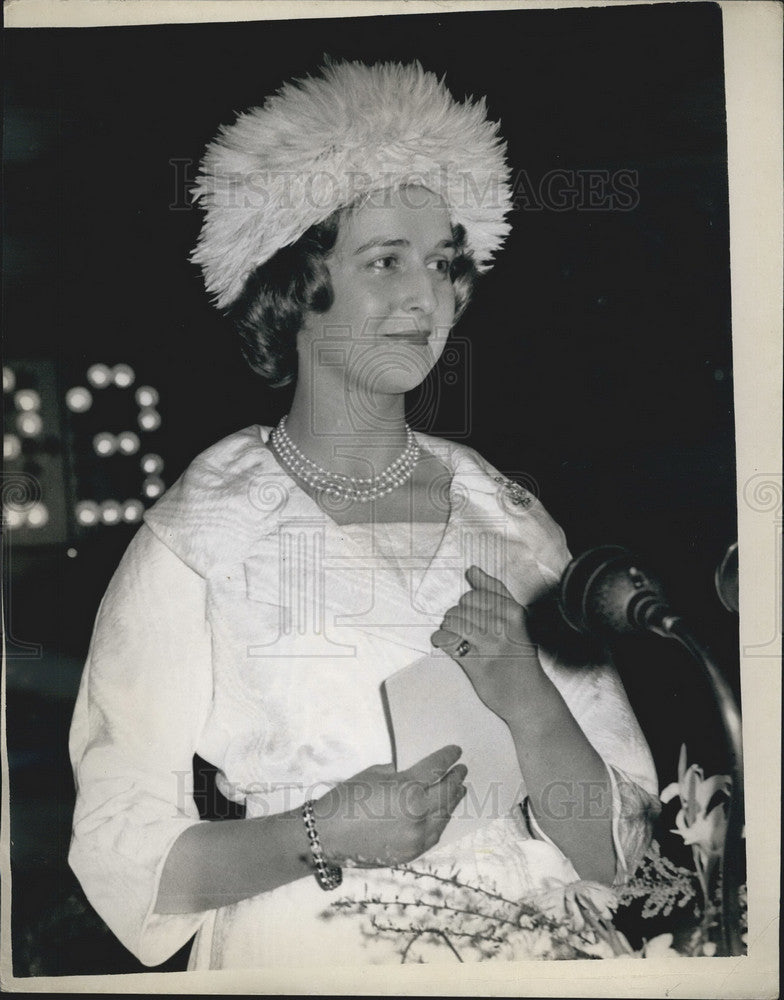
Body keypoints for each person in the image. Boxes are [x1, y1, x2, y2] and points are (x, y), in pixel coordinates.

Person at [68, 60, 659, 969]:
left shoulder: (509, 523)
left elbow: (620, 852)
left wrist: (533, 705)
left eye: (444, 264)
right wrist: (321, 832)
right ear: (296, 286)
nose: (427, 299)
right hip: (311, 955)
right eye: (385, 261)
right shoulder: (202, 532)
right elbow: (123, 858)